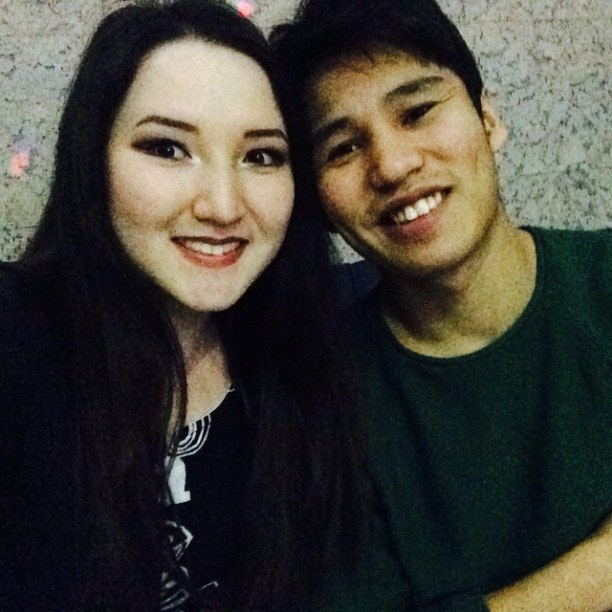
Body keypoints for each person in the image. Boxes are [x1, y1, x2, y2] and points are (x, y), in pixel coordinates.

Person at [0, 1, 368, 608]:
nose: (222, 206)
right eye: (168, 148)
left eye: (261, 156)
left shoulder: (310, 352)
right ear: (93, 160)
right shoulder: (16, 339)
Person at [271, 0, 612, 609]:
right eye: (343, 148)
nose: (393, 165)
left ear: (488, 119)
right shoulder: (318, 403)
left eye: (418, 112)